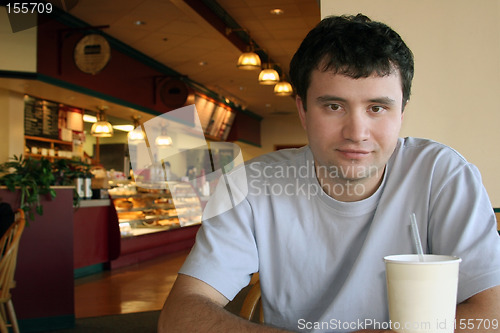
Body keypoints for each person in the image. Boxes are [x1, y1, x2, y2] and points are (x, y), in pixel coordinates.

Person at [158, 14, 500, 332]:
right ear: (303, 110)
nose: (357, 132)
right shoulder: (250, 186)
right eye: (334, 106)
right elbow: (181, 313)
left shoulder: (441, 174)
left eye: (377, 108)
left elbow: (492, 315)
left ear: (401, 113)